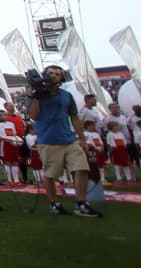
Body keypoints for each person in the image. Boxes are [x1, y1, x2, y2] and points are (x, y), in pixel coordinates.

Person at [25, 66, 103, 218]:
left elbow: (74, 117)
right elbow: (34, 116)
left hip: (69, 139)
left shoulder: (67, 95)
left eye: (57, 74)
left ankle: (81, 202)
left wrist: (82, 138)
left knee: (81, 168)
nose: (53, 76)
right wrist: (35, 96)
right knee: (50, 174)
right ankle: (54, 203)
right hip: (48, 140)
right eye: (50, 73)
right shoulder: (36, 95)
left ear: (61, 78)